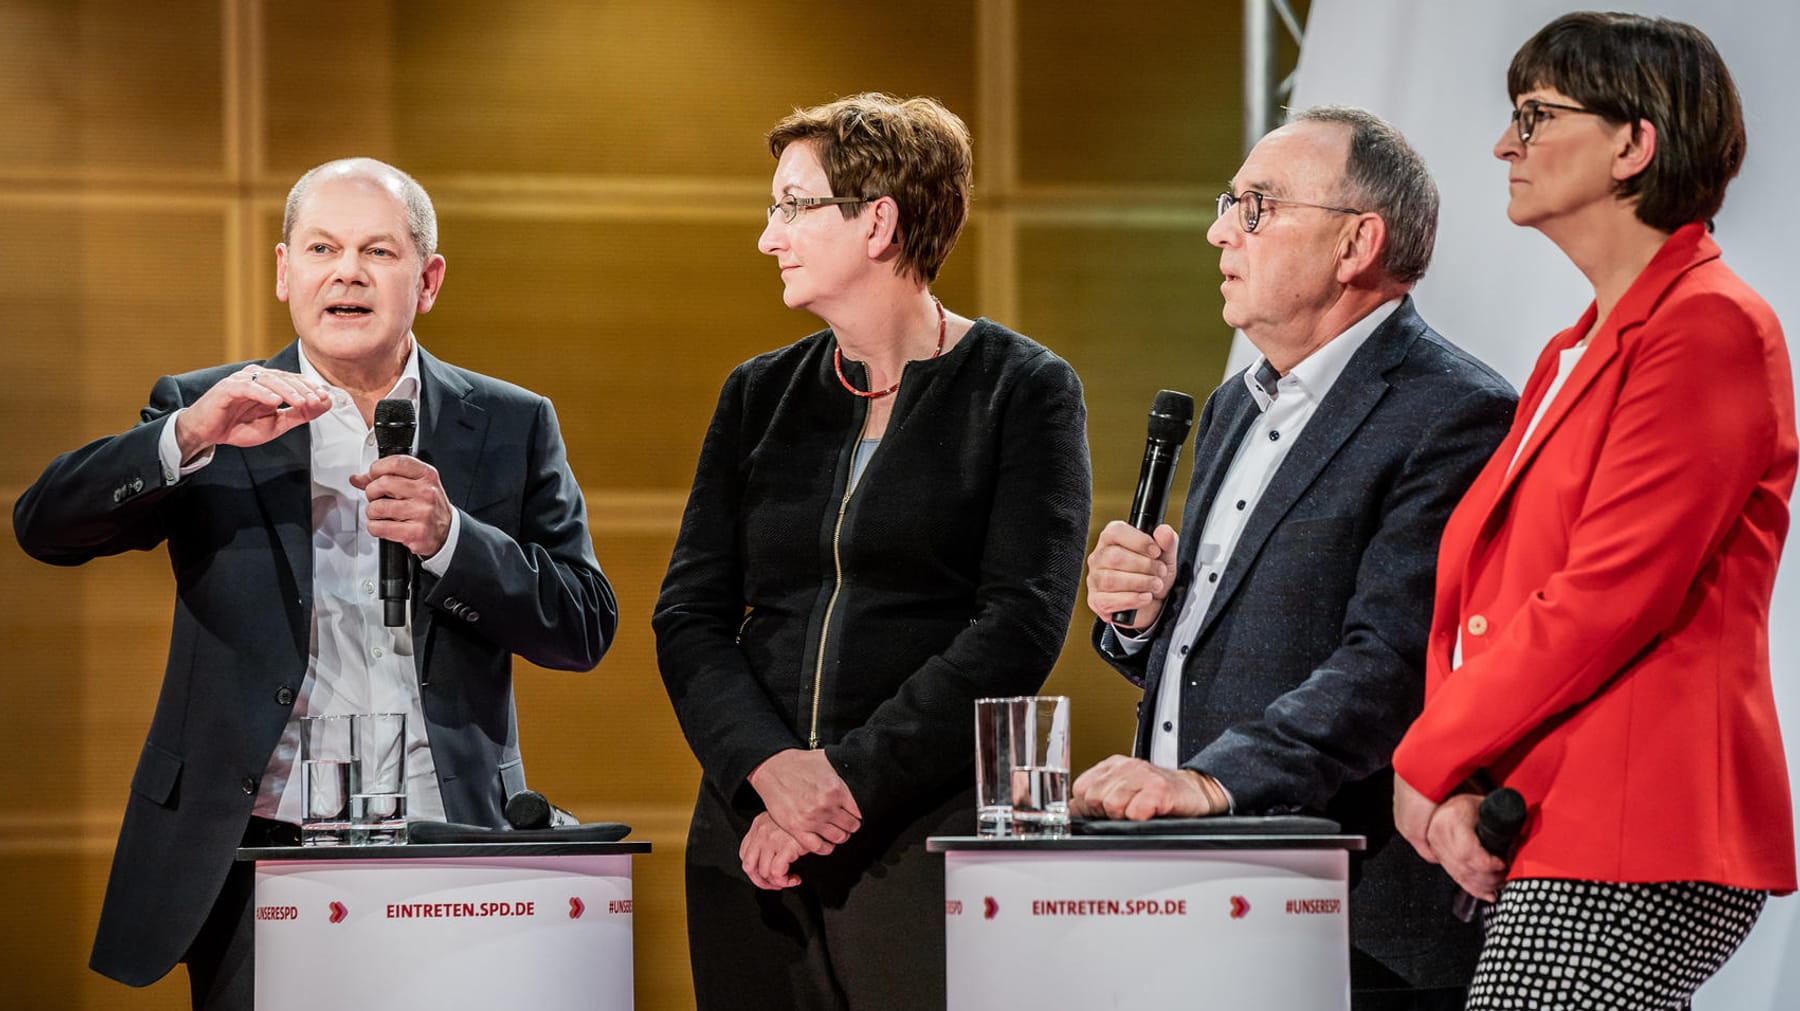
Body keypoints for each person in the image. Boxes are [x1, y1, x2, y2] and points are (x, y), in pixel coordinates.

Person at [11, 157, 618, 1010]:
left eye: (379, 251)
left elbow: (584, 624)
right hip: (255, 855)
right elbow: (45, 525)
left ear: (429, 278)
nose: (348, 272)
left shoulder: (511, 421)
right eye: (323, 247)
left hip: (450, 847)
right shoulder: (211, 408)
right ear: (284, 271)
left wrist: (452, 540)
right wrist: (187, 436)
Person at [1392, 13, 1796, 1010]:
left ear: (1634, 143)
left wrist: (1429, 760)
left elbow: (1609, 597)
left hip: (1635, 827)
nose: (1504, 145)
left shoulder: (1707, 330)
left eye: (1534, 116)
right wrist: (1461, 781)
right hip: (1554, 813)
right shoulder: (1573, 351)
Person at [653, 93, 1091, 1010]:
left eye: (791, 206)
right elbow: (689, 614)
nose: (768, 236)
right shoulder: (758, 394)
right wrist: (771, 770)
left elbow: (1019, 624)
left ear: (878, 221)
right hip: (749, 826)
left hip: (917, 828)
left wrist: (842, 781)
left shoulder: (1023, 388)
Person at [1075, 106, 1516, 1010]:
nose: (1217, 231)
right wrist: (1143, 621)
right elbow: (1218, 656)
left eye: (1255, 206)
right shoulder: (1237, 403)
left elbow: (1388, 661)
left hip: (1347, 920)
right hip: (1200, 895)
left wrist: (1209, 780)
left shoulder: (1454, 411)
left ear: (1357, 242)